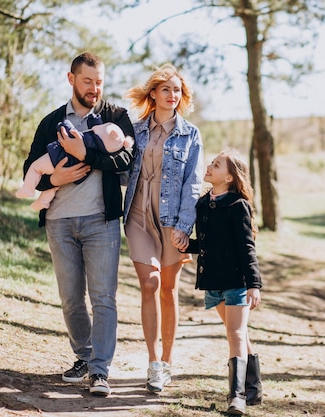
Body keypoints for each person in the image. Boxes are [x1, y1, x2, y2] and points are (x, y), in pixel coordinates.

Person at [21, 52, 134, 397]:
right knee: (71, 298)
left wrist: (86, 155)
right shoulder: (51, 121)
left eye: (99, 82)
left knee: (103, 298)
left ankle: (101, 370)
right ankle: (83, 358)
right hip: (59, 222)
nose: (94, 88)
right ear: (71, 79)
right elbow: (31, 168)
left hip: (102, 222)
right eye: (87, 81)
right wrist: (54, 176)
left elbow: (126, 159)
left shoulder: (117, 116)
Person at [123, 63, 203, 393]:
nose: (172, 95)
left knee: (168, 289)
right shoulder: (134, 129)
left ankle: (167, 362)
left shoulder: (191, 134)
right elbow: (117, 167)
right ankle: (154, 361)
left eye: (177, 91)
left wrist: (185, 227)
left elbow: (194, 183)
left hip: (172, 220)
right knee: (149, 284)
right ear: (153, 94)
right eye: (166, 89)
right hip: (139, 216)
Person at [181, 149, 263, 415]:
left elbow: (246, 248)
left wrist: (254, 284)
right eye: (211, 163)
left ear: (229, 177)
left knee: (235, 334)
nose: (209, 166)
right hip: (213, 281)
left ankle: (236, 396)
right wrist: (187, 244)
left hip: (237, 281)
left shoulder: (238, 206)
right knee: (237, 331)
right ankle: (254, 388)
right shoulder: (204, 203)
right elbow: (207, 243)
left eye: (216, 165)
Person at [16, 119, 133, 210]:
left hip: (58, 158)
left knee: (35, 168)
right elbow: (99, 129)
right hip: (79, 172)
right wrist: (53, 180)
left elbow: (72, 133)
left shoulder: (89, 137)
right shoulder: (103, 146)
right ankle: (43, 201)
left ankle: (28, 189)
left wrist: (64, 125)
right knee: (57, 185)